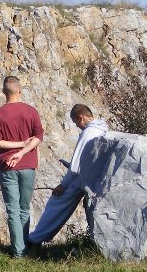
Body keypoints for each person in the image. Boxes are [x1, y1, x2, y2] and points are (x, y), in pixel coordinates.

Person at [28, 104, 108, 246]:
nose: (77, 126)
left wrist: (63, 185)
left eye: (76, 122)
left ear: (81, 118)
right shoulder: (103, 129)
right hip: (95, 177)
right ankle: (40, 238)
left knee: (56, 203)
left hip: (81, 178)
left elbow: (76, 166)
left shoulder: (88, 133)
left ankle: (35, 239)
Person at [0, 76, 44, 258]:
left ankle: (18, 251)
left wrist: (16, 148)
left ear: (4, 92)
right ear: (20, 90)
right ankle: (24, 246)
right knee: (24, 208)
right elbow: (37, 137)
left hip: (7, 166)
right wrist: (22, 150)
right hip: (28, 165)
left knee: (12, 209)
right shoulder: (31, 111)